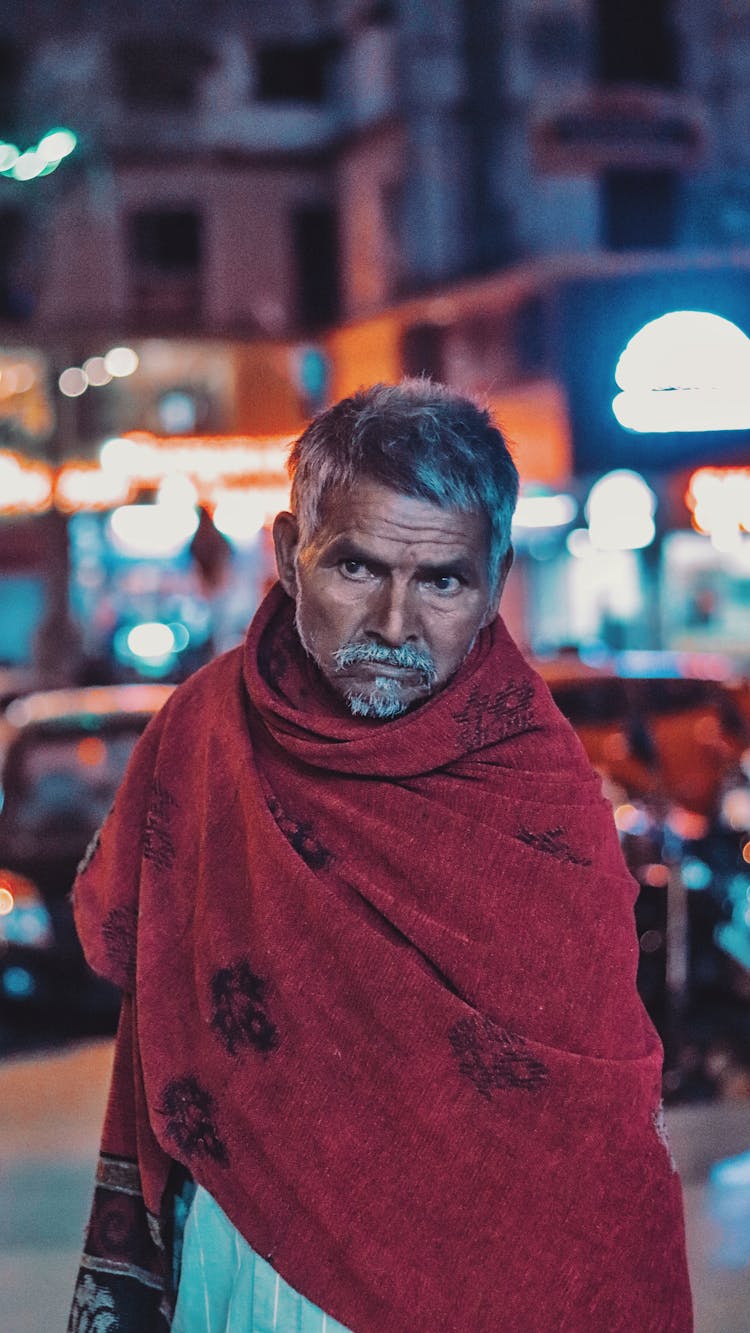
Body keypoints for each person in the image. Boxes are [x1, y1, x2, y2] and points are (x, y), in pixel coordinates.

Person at [69, 380, 692, 1332]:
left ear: (496, 580)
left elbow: (588, 1128)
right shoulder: (203, 734)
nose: (396, 626)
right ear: (288, 554)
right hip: (241, 1266)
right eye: (356, 570)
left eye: (442, 580)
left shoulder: (537, 785)